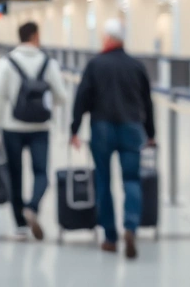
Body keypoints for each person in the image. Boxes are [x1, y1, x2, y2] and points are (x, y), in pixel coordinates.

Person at [70, 18, 155, 260]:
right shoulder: (136, 66)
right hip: (131, 128)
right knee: (131, 179)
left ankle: (109, 237)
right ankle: (130, 226)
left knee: (103, 182)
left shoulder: (95, 64)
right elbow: (147, 104)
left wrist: (74, 129)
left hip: (102, 129)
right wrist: (151, 133)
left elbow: (82, 99)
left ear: (107, 38)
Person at [0, 21, 68, 241]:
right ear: (34, 36)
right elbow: (62, 96)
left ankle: (20, 226)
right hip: (40, 127)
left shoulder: (6, 63)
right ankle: (32, 206)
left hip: (12, 127)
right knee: (41, 172)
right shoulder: (48, 63)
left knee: (15, 175)